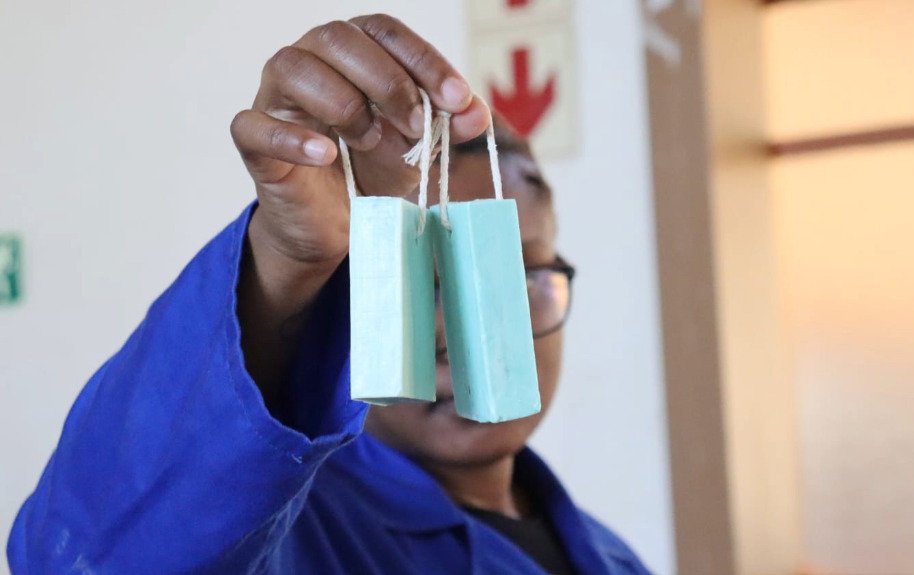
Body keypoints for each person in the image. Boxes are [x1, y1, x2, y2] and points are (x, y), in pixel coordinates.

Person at [7, 14, 651, 574]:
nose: (464, 334)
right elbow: (94, 561)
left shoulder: (610, 553)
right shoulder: (276, 533)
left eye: (519, 281)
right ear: (354, 306)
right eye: (426, 283)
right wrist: (285, 260)